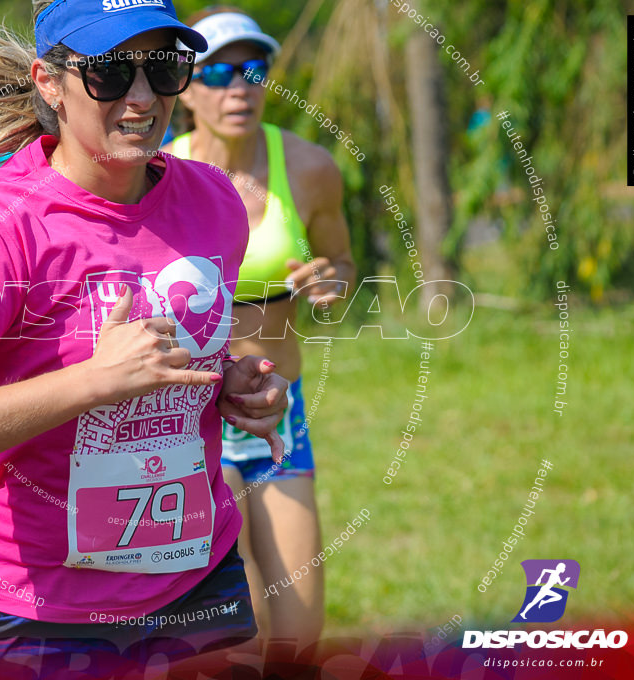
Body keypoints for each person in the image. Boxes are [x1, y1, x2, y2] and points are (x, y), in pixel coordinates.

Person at [0, 0, 293, 676]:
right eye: (108, 73)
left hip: (197, 577)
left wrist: (236, 389)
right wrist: (93, 382)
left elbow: (180, 360)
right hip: (35, 609)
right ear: (50, 82)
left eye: (163, 68)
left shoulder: (213, 201)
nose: (141, 96)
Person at [163, 7, 357, 649]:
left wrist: (332, 282)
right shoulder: (157, 173)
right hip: (189, 416)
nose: (237, 86)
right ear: (186, 88)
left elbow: (344, 263)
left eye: (251, 69)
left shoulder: (308, 168)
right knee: (226, 633)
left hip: (279, 413)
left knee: (300, 630)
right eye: (216, 72)